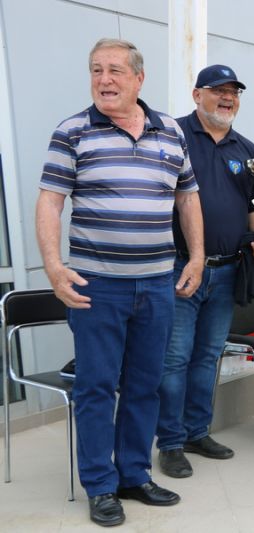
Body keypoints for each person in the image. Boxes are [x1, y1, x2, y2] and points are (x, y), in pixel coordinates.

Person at [35, 38, 203, 527]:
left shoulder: (170, 131)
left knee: (145, 386)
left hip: (157, 284)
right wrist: (53, 265)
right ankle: (100, 485)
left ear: (138, 78)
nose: (104, 79)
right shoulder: (72, 131)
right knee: (96, 387)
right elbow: (50, 201)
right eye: (96, 70)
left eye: (114, 70)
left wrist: (196, 256)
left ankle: (133, 474)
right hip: (97, 286)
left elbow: (187, 198)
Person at [155, 65, 254, 478]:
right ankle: (170, 442)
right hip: (180, 268)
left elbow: (253, 208)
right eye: (218, 90)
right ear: (196, 94)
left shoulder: (247, 149)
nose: (227, 98)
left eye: (234, 92)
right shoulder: (172, 135)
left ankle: (196, 432)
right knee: (175, 358)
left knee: (208, 356)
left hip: (227, 271)